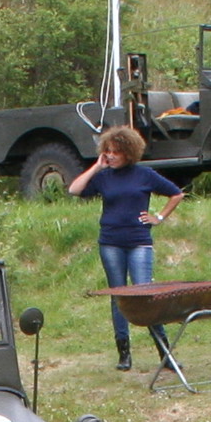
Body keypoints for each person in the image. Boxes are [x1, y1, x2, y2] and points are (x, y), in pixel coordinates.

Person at [68, 127, 183, 370]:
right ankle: (124, 353)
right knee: (118, 296)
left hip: (139, 241)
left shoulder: (144, 175)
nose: (110, 156)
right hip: (110, 242)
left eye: (116, 152)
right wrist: (96, 167)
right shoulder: (104, 176)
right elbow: (74, 190)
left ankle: (166, 354)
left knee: (145, 295)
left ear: (128, 153)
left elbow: (176, 194)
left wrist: (158, 217)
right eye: (107, 151)